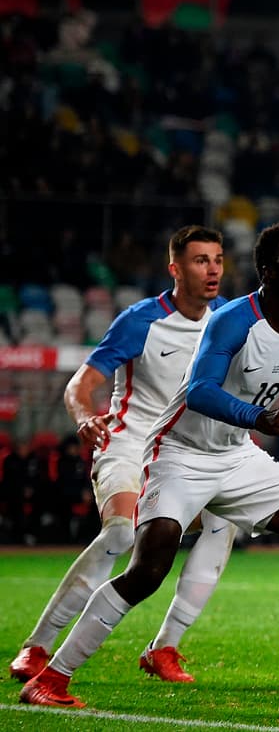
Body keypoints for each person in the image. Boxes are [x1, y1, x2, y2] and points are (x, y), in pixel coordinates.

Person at [19, 221, 279, 710]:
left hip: (235, 455)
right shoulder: (232, 321)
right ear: (267, 270)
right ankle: (50, 679)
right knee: (148, 569)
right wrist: (263, 416)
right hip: (179, 454)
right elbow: (200, 392)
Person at [11, 226, 239, 685]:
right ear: (175, 269)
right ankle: (36, 647)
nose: (212, 269)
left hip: (188, 454)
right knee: (120, 534)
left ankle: (164, 647)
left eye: (217, 259)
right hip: (130, 444)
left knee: (224, 523)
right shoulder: (141, 320)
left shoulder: (229, 323)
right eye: (200, 260)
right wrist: (83, 416)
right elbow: (83, 383)